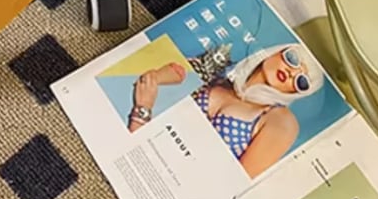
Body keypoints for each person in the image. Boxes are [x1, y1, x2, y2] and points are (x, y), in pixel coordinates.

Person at [129, 44, 324, 177]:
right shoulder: (220, 77)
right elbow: (173, 74)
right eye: (292, 58)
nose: (291, 73)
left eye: (301, 81)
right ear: (277, 51)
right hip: (142, 156)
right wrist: (151, 85)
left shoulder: (281, 120)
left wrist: (143, 110)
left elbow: (233, 186)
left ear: (295, 93)